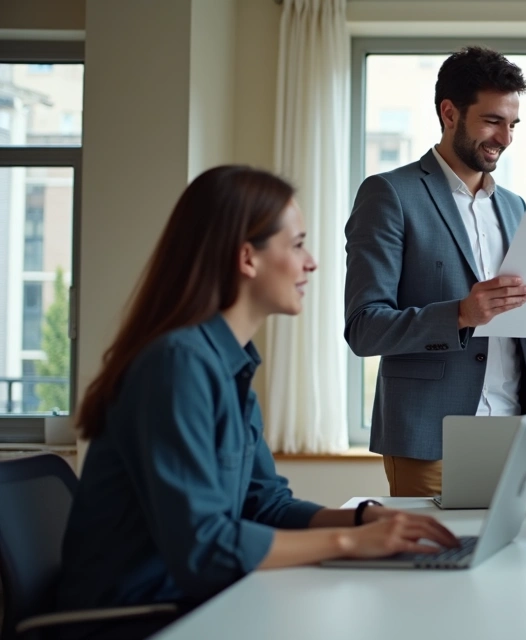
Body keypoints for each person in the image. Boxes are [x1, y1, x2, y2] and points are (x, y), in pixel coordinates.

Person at [56, 166, 459, 639]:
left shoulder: (228, 362)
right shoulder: (177, 365)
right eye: (297, 245)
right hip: (139, 619)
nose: (311, 263)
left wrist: (363, 517)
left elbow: (264, 504)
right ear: (247, 258)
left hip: (198, 604)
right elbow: (206, 548)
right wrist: (351, 541)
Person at [344, 46, 526, 497]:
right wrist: (461, 314)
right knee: (435, 546)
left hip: (515, 433)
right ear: (449, 113)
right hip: (429, 439)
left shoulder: (515, 208)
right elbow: (365, 329)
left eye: (513, 124)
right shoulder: (390, 195)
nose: (506, 138)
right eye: (492, 121)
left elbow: (513, 335)